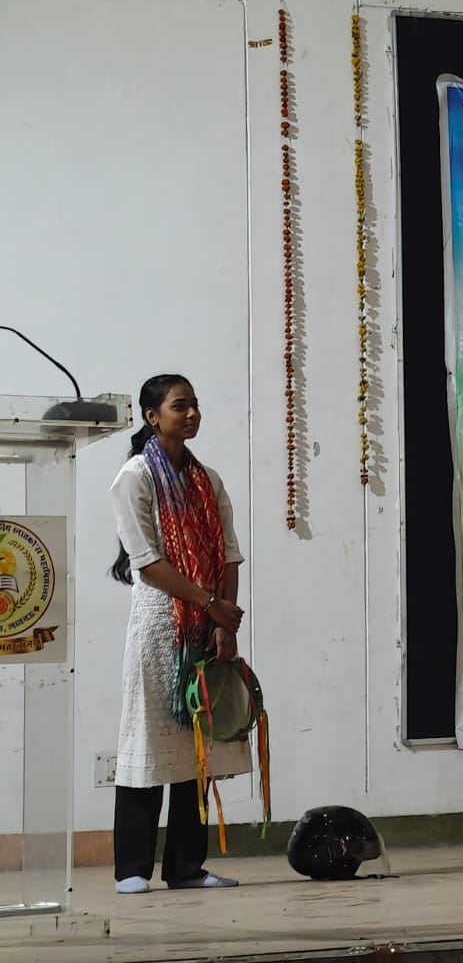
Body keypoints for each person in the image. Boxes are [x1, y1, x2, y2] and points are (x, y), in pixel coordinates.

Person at [109, 374, 247, 895]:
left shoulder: (207, 479)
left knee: (198, 745)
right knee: (147, 739)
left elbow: (228, 554)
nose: (191, 414)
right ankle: (132, 868)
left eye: (195, 405)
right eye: (179, 406)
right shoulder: (135, 476)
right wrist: (211, 605)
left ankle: (186, 867)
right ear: (152, 416)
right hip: (160, 622)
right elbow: (147, 563)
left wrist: (222, 621)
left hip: (207, 622)